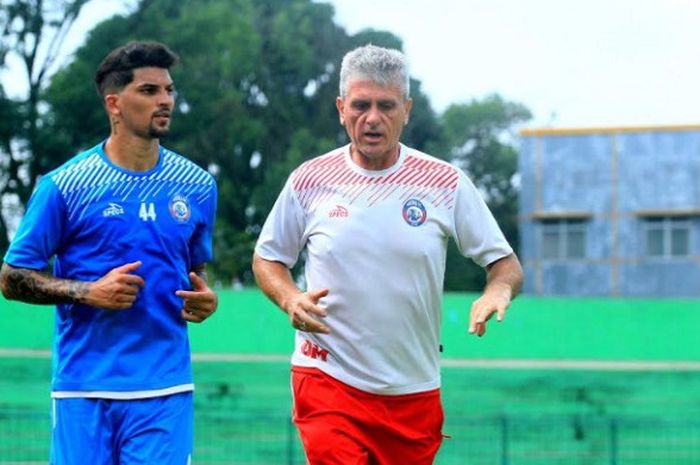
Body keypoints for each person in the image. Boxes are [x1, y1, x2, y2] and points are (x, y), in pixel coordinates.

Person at [252, 44, 523, 464]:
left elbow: (505, 266)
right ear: (341, 108)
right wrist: (290, 298)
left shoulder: (444, 183)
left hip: (412, 389)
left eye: (386, 106)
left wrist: (496, 292)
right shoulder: (309, 180)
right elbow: (268, 257)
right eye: (360, 105)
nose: (372, 118)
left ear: (407, 110)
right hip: (327, 376)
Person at [0, 41, 218, 464]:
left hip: (164, 388)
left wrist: (204, 298)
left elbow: (194, 269)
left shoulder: (197, 186)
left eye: (169, 90)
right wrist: (87, 292)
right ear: (114, 103)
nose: (166, 101)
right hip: (83, 389)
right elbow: (11, 278)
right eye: (150, 91)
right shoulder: (65, 186)